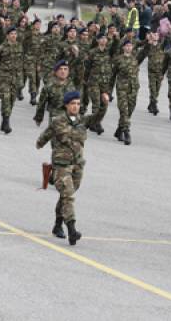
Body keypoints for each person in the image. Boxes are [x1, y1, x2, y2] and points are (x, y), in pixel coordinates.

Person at [35, 90, 108, 245]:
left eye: (77, 103)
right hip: (61, 166)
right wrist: (40, 143)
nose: (75, 106)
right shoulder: (58, 121)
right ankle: (72, 230)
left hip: (77, 166)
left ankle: (57, 225)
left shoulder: (83, 121)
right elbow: (45, 135)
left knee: (65, 196)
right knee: (68, 196)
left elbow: (97, 117)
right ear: (67, 105)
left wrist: (104, 104)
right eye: (72, 104)